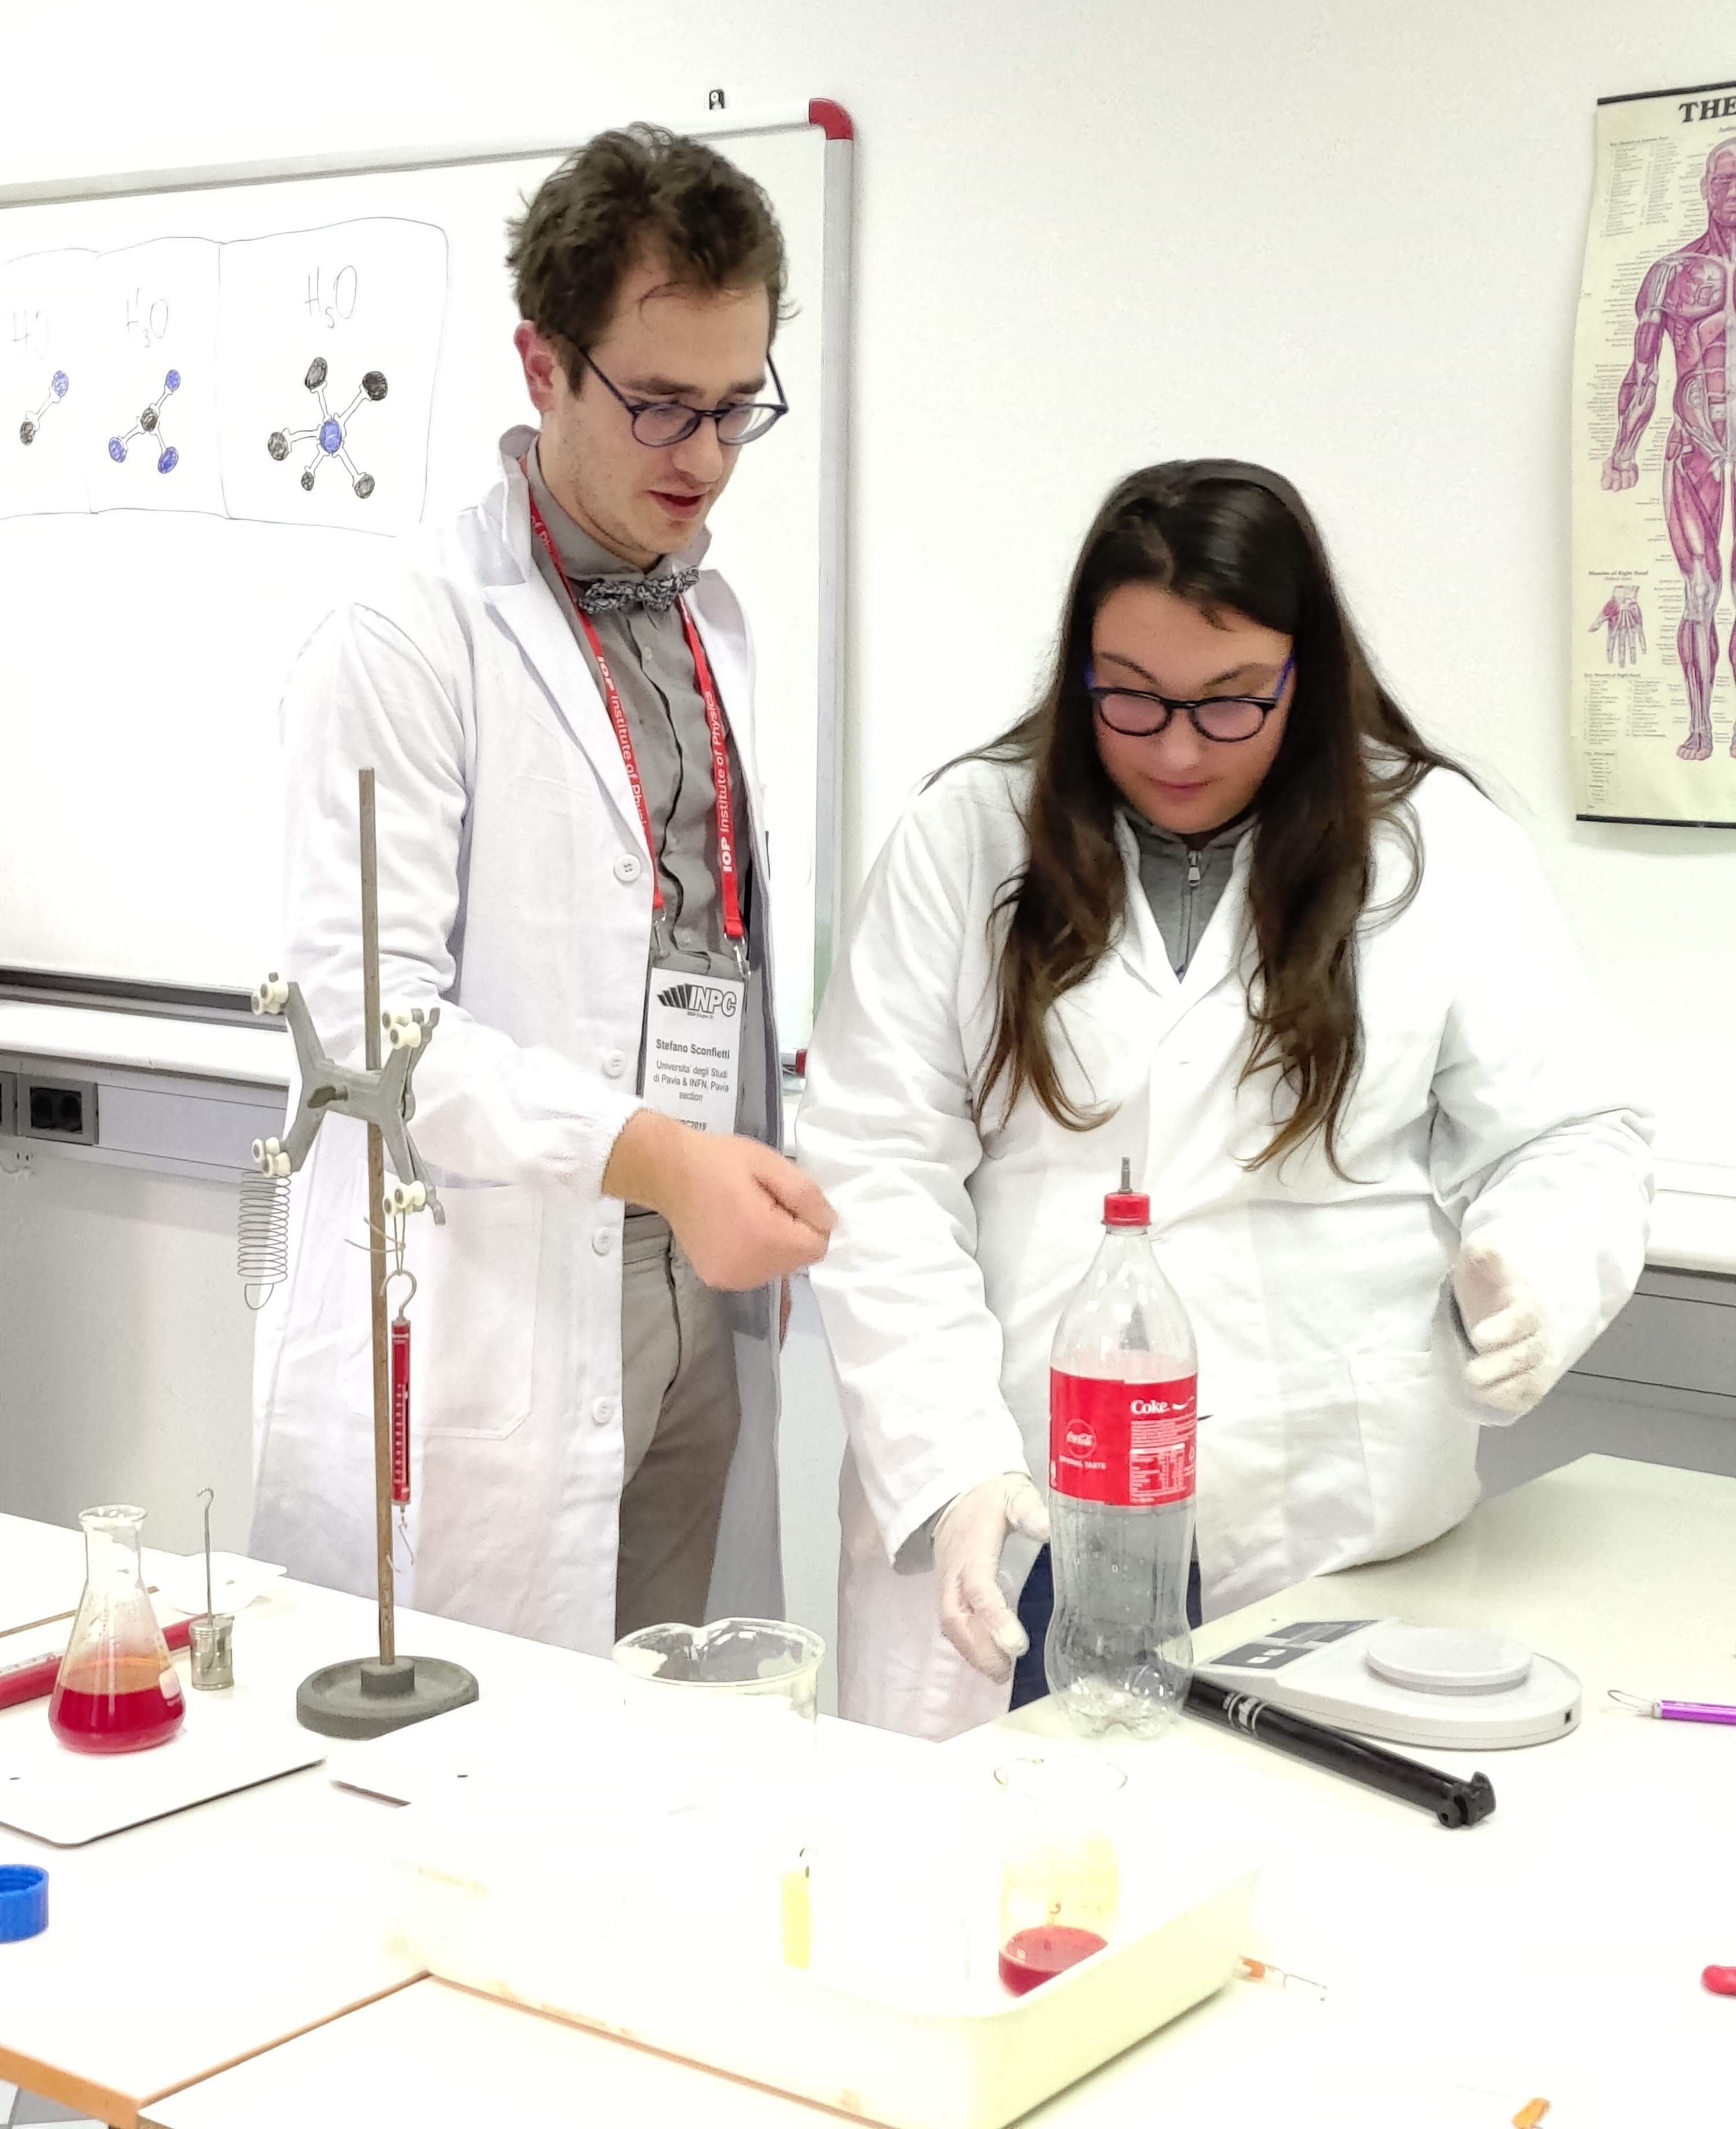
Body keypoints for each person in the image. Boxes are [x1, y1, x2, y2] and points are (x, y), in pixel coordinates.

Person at [797, 461, 1652, 1740]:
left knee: (1292, 1851)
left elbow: (1573, 1131)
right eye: (1131, 697)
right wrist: (951, 1459)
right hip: (1023, 1497)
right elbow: (875, 1168)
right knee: (1019, 1845)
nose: (1179, 748)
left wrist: (1538, 1271)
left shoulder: (1436, 844)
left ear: (1305, 674)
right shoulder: (966, 836)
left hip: (1325, 1521)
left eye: (1231, 700)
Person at [251, 124, 833, 1653]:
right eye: (659, 404)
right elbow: (367, 1032)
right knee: (475, 1752)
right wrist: (656, 1156)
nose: (703, 458)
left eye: (736, 407)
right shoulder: (407, 637)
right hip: (501, 1286)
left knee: (673, 1725)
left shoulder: (712, 620)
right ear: (542, 364)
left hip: (695, 1279)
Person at [1599, 137, 1736, 758]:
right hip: (1692, 450)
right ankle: (1701, 725)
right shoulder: (1672, 274)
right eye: (1723, 180)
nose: (1732, 193)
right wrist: (1623, 450)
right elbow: (1644, 368)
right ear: (1705, 188)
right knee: (1700, 592)